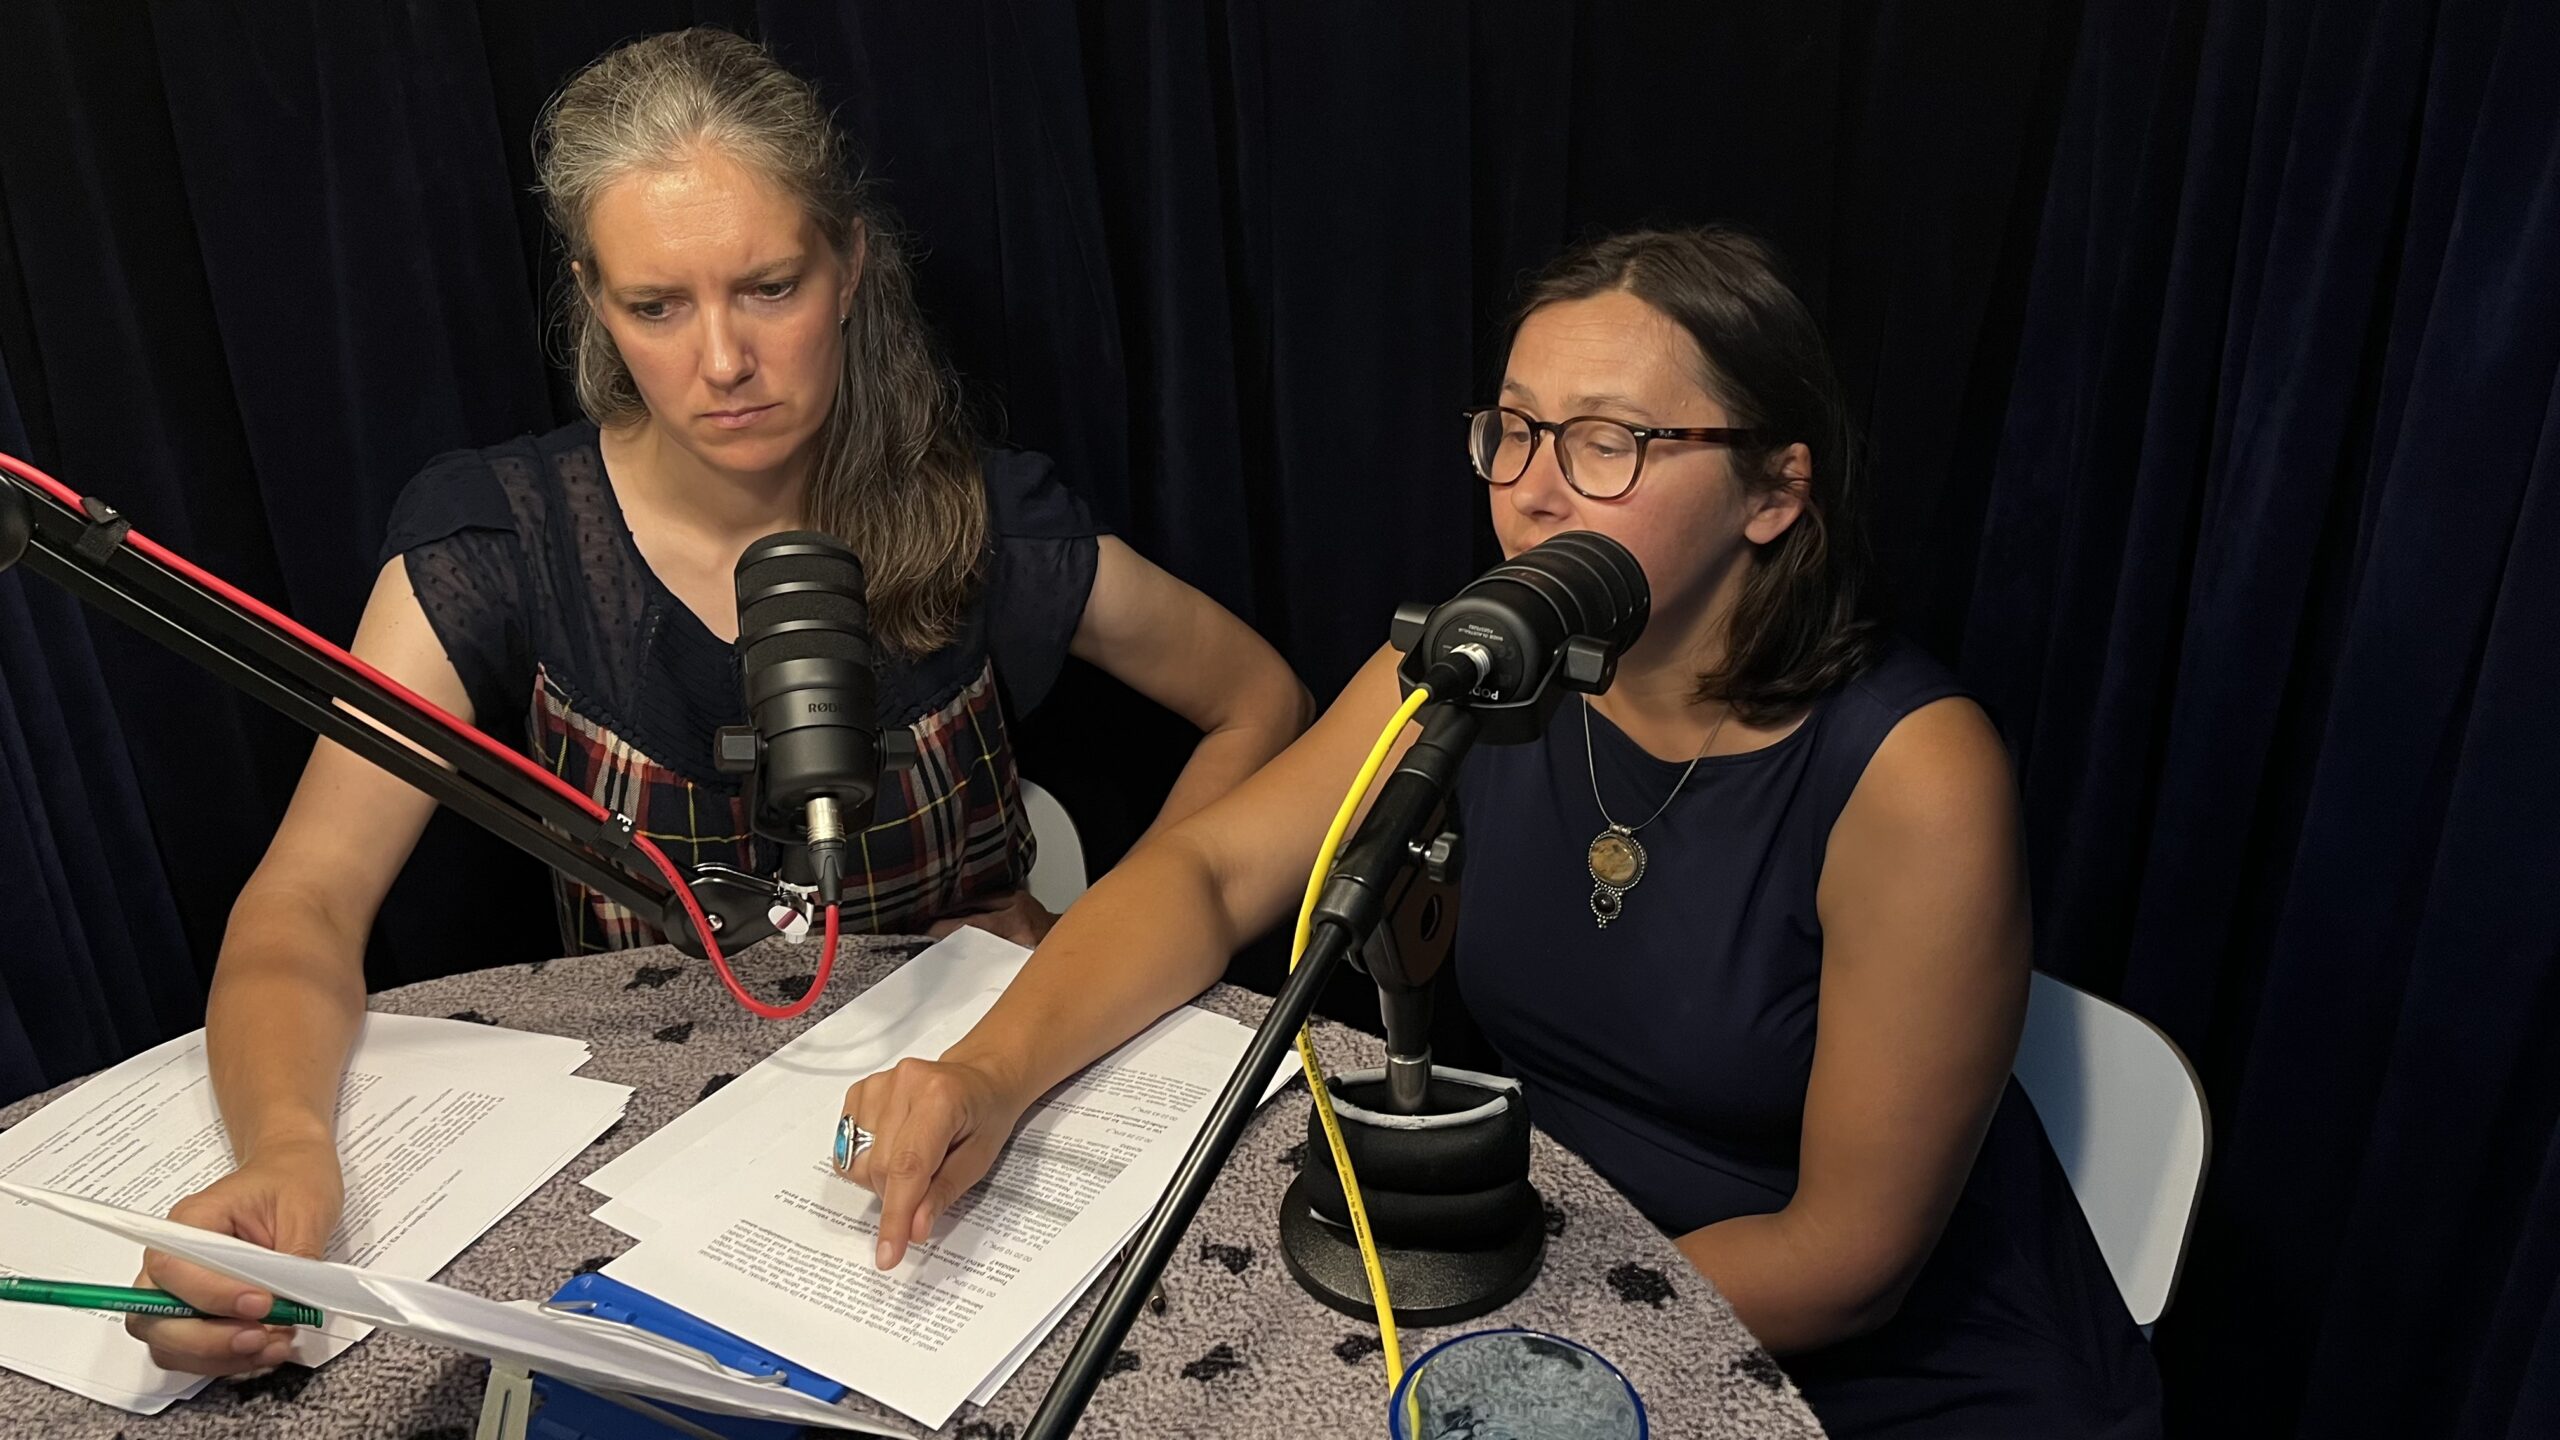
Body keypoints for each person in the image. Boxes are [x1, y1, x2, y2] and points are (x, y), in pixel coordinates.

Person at [835, 227, 2165, 1436]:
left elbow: (1851, 1259)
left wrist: (1500, 1344)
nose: (1533, 491)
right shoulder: (1483, 661)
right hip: (1540, 1255)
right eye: (1515, 431)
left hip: (1849, 1366)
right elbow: (1212, 870)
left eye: (1610, 442)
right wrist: (986, 1074)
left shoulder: (1915, 773)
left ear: (1772, 492)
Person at [127, 28, 1310, 1379]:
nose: (725, 361)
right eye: (657, 307)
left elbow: (1260, 704)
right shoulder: (499, 544)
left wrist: (1096, 946)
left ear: (849, 263)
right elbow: (306, 899)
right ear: (590, 298)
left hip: (973, 1114)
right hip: (650, 1173)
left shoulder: (982, 517)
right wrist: (287, 1150)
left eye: (769, 287)